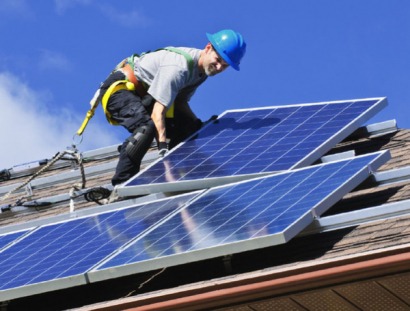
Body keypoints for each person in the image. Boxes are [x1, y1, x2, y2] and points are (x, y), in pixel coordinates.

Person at [98, 29, 246, 186]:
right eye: (217, 60)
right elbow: (157, 113)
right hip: (120, 90)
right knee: (146, 128)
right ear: (208, 48)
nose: (218, 67)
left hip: (146, 97)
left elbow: (180, 102)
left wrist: (198, 125)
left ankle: (185, 174)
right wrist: (163, 148)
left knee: (190, 129)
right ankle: (122, 184)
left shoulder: (201, 73)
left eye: (224, 66)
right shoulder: (179, 67)